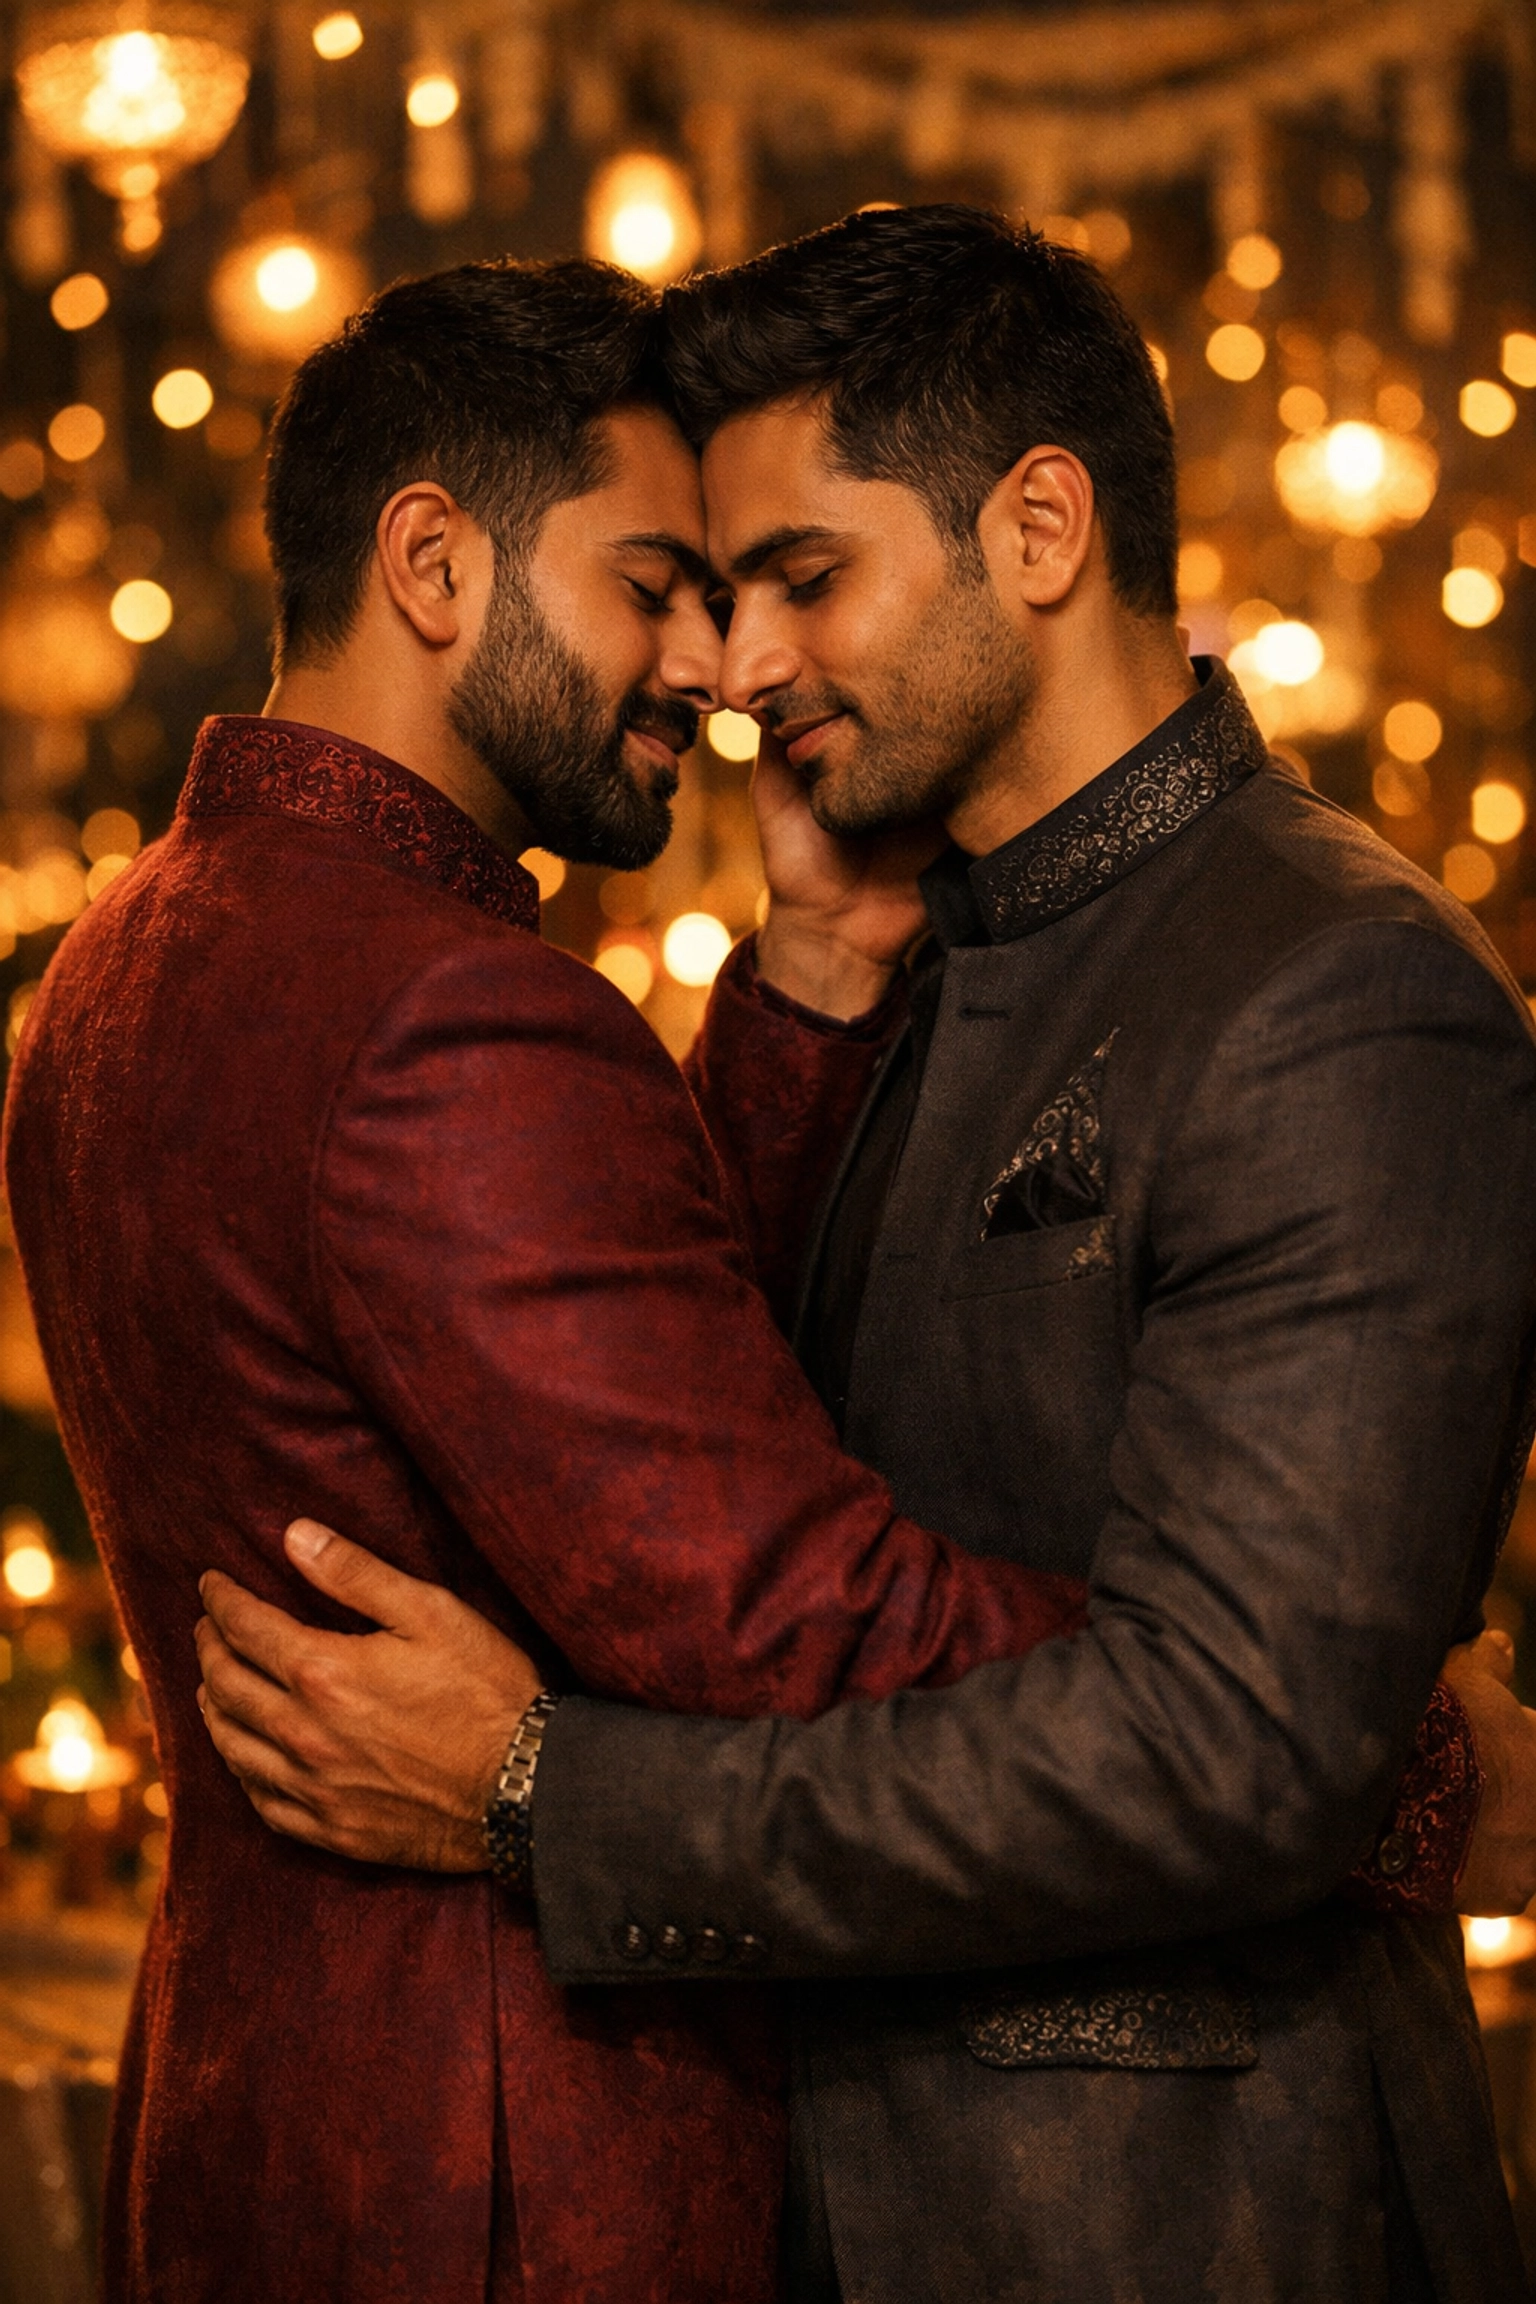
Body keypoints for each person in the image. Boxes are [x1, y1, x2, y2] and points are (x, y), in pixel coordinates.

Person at [197, 208, 1536, 2304]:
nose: (731, 670)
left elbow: (1238, 1760)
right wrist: (813, 966)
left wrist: (547, 1796)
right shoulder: (921, 948)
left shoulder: (1331, 989)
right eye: (711, 599)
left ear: (1039, 527)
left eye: (802, 581)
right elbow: (735, 1440)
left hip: (1175, 2224)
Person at [1, 253, 1152, 2304]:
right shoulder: (448, 1016)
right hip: (524, 2164)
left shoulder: (127, 955)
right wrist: (1327, 1752)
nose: (717, 669)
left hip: (255, 2114)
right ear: (435, 562)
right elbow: (799, 1625)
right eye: (655, 581)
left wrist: (797, 983)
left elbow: (543, 1366)